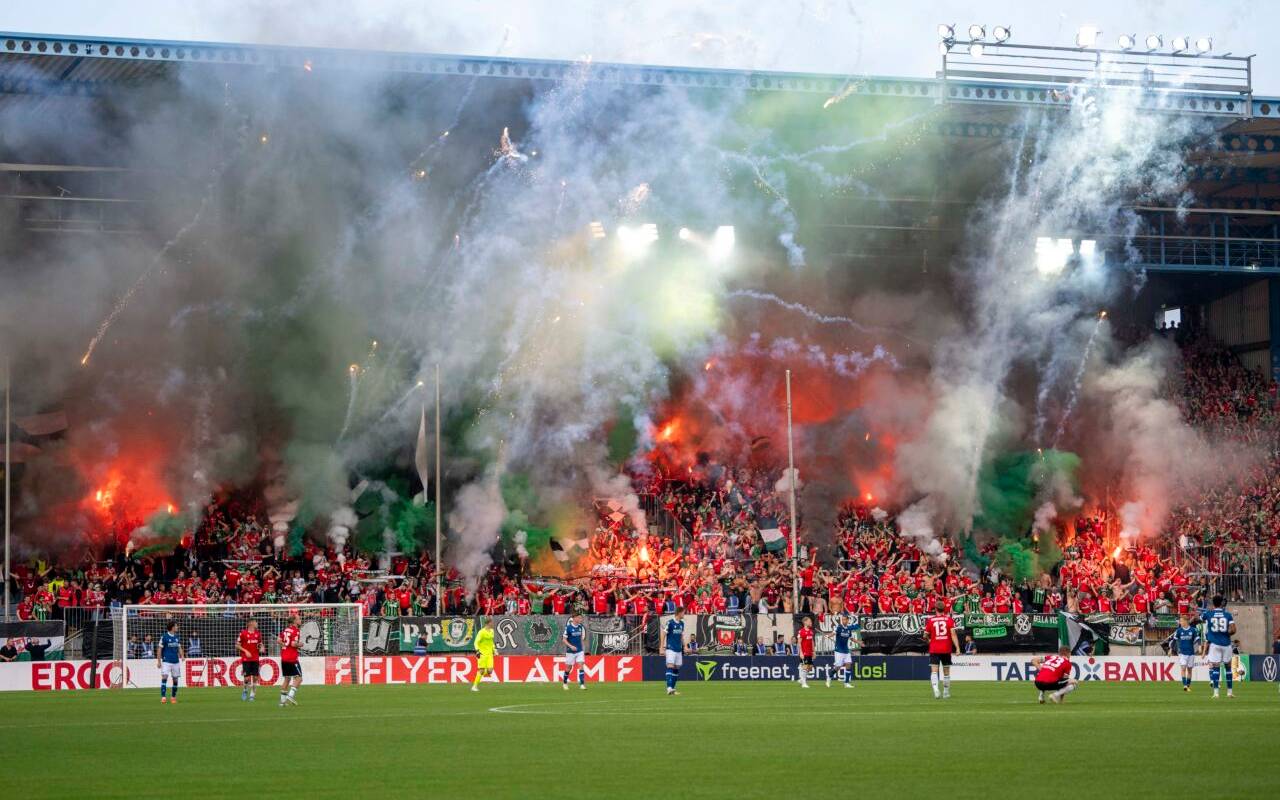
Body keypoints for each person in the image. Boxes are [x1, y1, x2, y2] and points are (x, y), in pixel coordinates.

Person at [1199, 595, 1236, 699]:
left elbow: (1200, 617)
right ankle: (1229, 692)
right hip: (1226, 644)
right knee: (1228, 668)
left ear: (1213, 604)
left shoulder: (1209, 614)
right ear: (1221, 603)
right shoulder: (1228, 615)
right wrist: (1226, 633)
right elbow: (1233, 630)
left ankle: (1216, 693)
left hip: (1214, 644)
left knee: (1215, 668)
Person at [924, 601, 958, 700]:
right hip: (946, 648)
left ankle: (936, 690)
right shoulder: (949, 620)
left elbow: (925, 635)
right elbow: (953, 634)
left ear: (935, 609)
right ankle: (946, 692)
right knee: (946, 672)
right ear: (944, 609)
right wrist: (958, 648)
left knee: (934, 671)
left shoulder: (931, 620)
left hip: (934, 648)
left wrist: (929, 640)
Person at [827, 612, 859, 688]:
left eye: (845, 619)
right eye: (842, 619)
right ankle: (829, 677)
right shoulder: (839, 627)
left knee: (848, 664)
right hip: (839, 650)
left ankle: (846, 683)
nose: (843, 621)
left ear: (848, 620)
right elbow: (833, 633)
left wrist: (858, 642)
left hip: (846, 650)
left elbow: (851, 638)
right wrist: (828, 636)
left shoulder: (848, 629)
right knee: (838, 667)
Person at [1168, 614, 1200, 692]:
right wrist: (1170, 649)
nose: (1180, 622)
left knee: (1189, 670)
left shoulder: (1193, 630)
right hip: (1182, 653)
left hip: (1191, 653)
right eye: (1180, 621)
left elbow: (1197, 639)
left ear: (1186, 621)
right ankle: (1185, 685)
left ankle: (1188, 686)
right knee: (1183, 668)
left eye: (1181, 621)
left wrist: (1199, 647)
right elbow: (1174, 641)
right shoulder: (1179, 631)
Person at [278, 613, 302, 707]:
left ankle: (282, 702)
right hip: (292, 658)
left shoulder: (285, 630)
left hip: (284, 657)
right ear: (294, 621)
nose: (300, 620)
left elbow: (278, 640)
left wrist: (284, 645)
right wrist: (300, 644)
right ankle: (290, 696)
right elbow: (293, 644)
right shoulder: (295, 630)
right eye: (299, 619)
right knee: (299, 678)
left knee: (287, 679)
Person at [158, 622, 183, 705]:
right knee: (164, 677)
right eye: (176, 626)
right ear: (172, 627)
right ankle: (163, 697)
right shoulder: (164, 637)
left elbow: (179, 647)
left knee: (175, 679)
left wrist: (182, 655)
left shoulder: (176, 637)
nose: (177, 627)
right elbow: (159, 649)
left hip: (175, 661)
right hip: (166, 661)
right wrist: (158, 661)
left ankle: (173, 697)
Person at [237, 619, 261, 702]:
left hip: (255, 658)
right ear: (251, 623)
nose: (257, 623)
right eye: (255, 622)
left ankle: (252, 695)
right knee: (246, 678)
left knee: (255, 677)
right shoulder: (243, 633)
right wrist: (246, 651)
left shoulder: (258, 634)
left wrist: (262, 647)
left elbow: (260, 644)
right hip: (246, 658)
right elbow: (237, 645)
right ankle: (245, 690)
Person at [664, 607, 687, 696]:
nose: (684, 614)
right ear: (679, 613)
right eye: (683, 613)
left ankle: (672, 689)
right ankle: (669, 688)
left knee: (676, 668)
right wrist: (661, 647)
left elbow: (681, 636)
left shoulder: (682, 623)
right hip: (670, 648)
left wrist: (684, 646)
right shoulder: (670, 622)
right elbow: (663, 633)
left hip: (678, 649)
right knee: (670, 665)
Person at [562, 612, 587, 691]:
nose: (580, 619)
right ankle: (565, 683)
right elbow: (564, 640)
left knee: (581, 666)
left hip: (579, 651)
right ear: (574, 618)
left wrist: (582, 647)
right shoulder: (568, 628)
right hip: (570, 651)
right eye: (579, 618)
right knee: (568, 668)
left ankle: (582, 684)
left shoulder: (580, 627)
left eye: (581, 618)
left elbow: (581, 638)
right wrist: (571, 646)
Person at [470, 617, 496, 692]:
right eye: (492, 622)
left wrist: (494, 649)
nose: (493, 623)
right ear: (489, 623)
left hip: (489, 654)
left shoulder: (492, 631)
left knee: (490, 671)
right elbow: (476, 642)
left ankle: (479, 674)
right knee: (481, 670)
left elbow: (491, 642)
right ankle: (474, 686)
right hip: (482, 654)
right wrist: (477, 651)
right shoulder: (481, 632)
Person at [796, 616, 815, 689]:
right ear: (805, 622)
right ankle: (803, 683)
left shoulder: (810, 631)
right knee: (805, 666)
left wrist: (814, 651)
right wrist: (800, 652)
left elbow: (812, 641)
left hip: (810, 652)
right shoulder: (801, 631)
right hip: (804, 652)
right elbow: (799, 642)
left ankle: (801, 679)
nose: (811, 622)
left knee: (810, 667)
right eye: (809, 621)